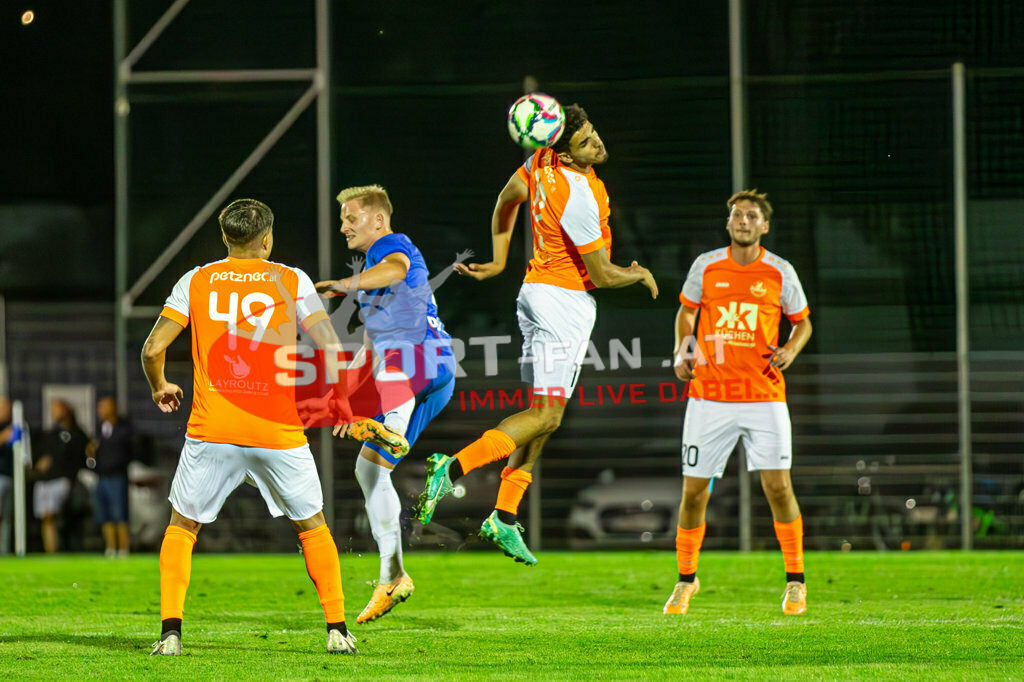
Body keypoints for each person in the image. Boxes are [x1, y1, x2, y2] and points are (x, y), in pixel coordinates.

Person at [142, 198, 408, 657]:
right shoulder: (291, 278)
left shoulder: (196, 280)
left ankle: (170, 635)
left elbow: (151, 349)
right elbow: (329, 345)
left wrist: (160, 385)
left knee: (182, 527)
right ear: (267, 239)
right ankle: (337, 630)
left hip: (212, 430)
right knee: (312, 528)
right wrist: (341, 402)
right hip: (278, 432)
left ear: (225, 237)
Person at [415, 104, 658, 565]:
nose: (598, 143)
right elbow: (603, 274)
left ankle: (503, 517)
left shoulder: (541, 162)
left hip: (540, 294)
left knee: (546, 413)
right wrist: (638, 274)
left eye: (595, 132)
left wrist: (500, 258)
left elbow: (508, 198)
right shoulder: (581, 193)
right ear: (566, 154)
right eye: (586, 141)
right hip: (560, 302)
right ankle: (453, 467)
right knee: (545, 416)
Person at [663, 189, 812, 616]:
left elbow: (802, 323)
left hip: (764, 397)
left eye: (751, 216)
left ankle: (796, 583)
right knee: (693, 494)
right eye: (736, 215)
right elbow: (686, 312)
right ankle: (686, 581)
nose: (743, 220)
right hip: (709, 396)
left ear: (764, 226)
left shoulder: (781, 272)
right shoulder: (706, 267)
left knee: (778, 488)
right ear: (728, 223)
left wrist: (790, 350)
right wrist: (682, 349)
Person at [314, 184, 458, 624]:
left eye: (349, 217)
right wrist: (345, 399)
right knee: (368, 470)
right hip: (428, 374)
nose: (343, 226)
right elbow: (372, 347)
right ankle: (392, 575)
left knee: (393, 354)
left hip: (421, 357)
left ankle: (392, 425)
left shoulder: (391, 245)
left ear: (377, 219)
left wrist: (342, 283)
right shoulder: (373, 290)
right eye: (341, 219)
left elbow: (396, 269)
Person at [34, 399, 88, 553]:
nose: (53, 413)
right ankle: (51, 551)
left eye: (56, 409)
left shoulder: (76, 433)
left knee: (53, 516)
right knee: (46, 518)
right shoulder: (52, 433)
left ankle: (61, 549)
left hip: (62, 479)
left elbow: (78, 456)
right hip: (45, 480)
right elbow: (43, 455)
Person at [87, 396, 133, 558]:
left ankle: (123, 548)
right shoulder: (101, 429)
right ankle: (110, 547)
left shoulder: (123, 428)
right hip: (102, 475)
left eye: (103, 407)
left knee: (119, 513)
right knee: (104, 513)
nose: (100, 411)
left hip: (117, 476)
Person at [0, 397, 15, 555]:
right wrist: (3, 437)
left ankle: (4, 550)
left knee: (7, 517)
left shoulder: (16, 425)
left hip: (11, 477)